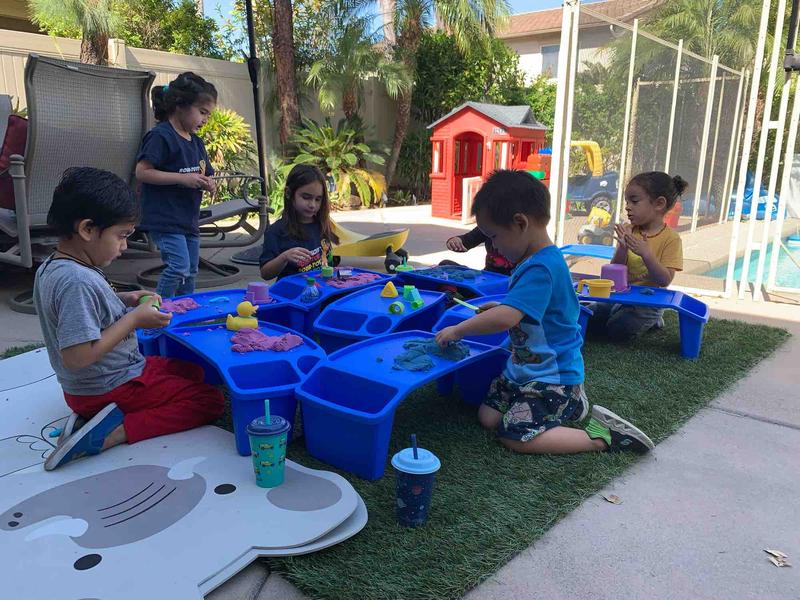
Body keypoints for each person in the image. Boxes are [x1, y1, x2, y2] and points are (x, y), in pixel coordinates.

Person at [435, 170, 654, 455]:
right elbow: (523, 308)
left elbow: (508, 317)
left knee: (513, 435)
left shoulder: (541, 267)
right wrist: (502, 307)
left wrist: (459, 329)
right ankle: (569, 408)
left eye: (494, 237)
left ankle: (602, 436)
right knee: (487, 418)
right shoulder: (532, 260)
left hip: (553, 377)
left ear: (520, 223)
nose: (494, 246)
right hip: (524, 371)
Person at [34, 167, 225, 471]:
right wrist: (134, 319)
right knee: (209, 400)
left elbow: (82, 312)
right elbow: (76, 356)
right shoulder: (76, 281)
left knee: (191, 371)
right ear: (87, 229)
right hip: (108, 385)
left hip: (104, 381)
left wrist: (125, 299)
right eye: (121, 236)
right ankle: (112, 432)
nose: (124, 247)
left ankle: (95, 418)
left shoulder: (57, 266)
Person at [135, 72, 218, 298]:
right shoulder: (161, 136)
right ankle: (158, 310)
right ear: (180, 105)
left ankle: (184, 311)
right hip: (165, 218)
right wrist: (183, 179)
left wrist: (208, 182)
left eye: (208, 116)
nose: (205, 120)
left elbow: (204, 173)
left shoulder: (196, 142)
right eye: (202, 113)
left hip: (187, 219)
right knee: (179, 267)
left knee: (190, 271)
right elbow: (142, 172)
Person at [588, 172, 687, 342]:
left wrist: (647, 254)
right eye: (627, 201)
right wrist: (622, 248)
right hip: (621, 296)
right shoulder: (629, 230)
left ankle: (654, 319)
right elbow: (614, 273)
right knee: (588, 315)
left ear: (659, 204)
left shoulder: (671, 239)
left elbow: (664, 280)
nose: (627, 206)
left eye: (634, 201)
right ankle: (616, 313)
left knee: (618, 329)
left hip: (648, 302)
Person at [259, 164, 340, 280]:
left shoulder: (322, 224)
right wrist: (284, 257)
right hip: (292, 294)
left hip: (323, 290)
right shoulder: (276, 231)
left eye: (318, 199)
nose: (312, 205)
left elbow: (329, 261)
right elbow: (265, 273)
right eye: (306, 197)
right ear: (288, 193)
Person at [441, 226, 515, 275]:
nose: (495, 245)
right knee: (445, 265)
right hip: (487, 276)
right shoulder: (489, 225)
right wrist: (456, 241)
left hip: (511, 284)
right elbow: (468, 240)